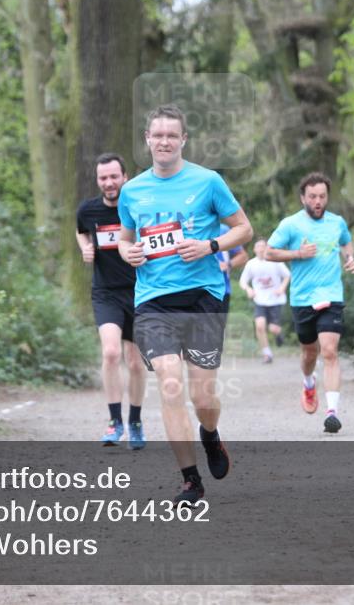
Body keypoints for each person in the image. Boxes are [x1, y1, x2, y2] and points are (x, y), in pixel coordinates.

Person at [117, 104, 252, 504]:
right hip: (153, 302)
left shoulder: (208, 182)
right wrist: (127, 253)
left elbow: (243, 227)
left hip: (203, 298)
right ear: (147, 139)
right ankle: (190, 480)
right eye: (157, 135)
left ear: (183, 140)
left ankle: (209, 434)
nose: (164, 142)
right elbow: (125, 239)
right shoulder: (132, 190)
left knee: (203, 398)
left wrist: (209, 245)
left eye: (171, 136)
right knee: (170, 382)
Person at [265, 172, 354, 433]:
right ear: (303, 197)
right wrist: (297, 254)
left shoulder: (337, 222)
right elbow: (270, 252)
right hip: (303, 298)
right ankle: (308, 382)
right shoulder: (291, 225)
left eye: (322, 196)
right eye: (313, 196)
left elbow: (347, 243)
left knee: (329, 351)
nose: (318, 201)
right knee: (309, 353)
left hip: (331, 296)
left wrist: (349, 258)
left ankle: (332, 412)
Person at [76, 153, 147, 449]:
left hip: (140, 291)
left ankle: (135, 421)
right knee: (110, 353)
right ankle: (114, 421)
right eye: (103, 178)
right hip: (106, 292)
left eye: (114, 177)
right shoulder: (88, 210)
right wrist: (85, 248)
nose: (109, 183)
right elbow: (80, 231)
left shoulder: (139, 208)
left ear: (125, 177)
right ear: (98, 181)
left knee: (135, 360)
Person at [239, 238, 291, 364]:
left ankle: (279, 334)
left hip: (275, 300)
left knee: (273, 328)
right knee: (260, 326)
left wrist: (282, 288)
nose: (261, 249)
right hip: (260, 300)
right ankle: (267, 353)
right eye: (259, 246)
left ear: (267, 248)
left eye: (263, 246)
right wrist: (248, 289)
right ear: (254, 249)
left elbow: (287, 275)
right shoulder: (251, 264)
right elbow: (243, 281)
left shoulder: (275, 262)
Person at [215, 222, 248, 312]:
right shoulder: (187, 227)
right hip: (193, 288)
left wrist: (227, 265)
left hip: (221, 289)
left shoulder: (223, 229)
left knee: (216, 326)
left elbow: (243, 256)